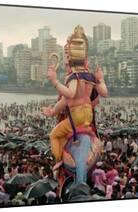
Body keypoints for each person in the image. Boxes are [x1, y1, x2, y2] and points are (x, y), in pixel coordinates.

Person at [42, 25, 108, 169]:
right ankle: (94, 143)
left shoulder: (73, 76)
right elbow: (104, 92)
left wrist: (54, 81)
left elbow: (69, 95)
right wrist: (101, 79)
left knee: (54, 135)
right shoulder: (89, 76)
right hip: (88, 116)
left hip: (76, 117)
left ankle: (59, 158)